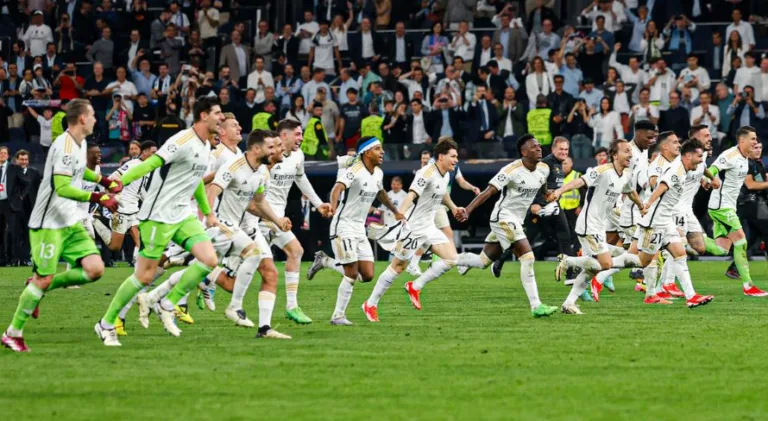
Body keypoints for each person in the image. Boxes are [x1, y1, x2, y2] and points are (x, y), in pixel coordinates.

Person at [95, 97, 223, 346]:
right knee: (144, 276)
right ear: (204, 115)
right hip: (158, 217)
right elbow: (152, 163)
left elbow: (195, 179)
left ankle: (167, 302)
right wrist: (120, 182)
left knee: (209, 259)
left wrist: (207, 212)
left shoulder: (205, 145)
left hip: (183, 215)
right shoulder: (181, 140)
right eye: (218, 113)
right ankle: (106, 323)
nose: (221, 117)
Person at [2, 99, 122, 353]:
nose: (95, 120)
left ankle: (35, 285)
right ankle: (13, 333)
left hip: (69, 221)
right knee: (43, 279)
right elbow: (63, 186)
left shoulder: (81, 143)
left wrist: (104, 180)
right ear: (81, 119)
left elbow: (79, 173)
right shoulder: (65, 146)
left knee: (95, 269)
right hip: (48, 223)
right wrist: (98, 196)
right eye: (92, 116)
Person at [451, 134, 559, 317]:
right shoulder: (511, 170)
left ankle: (455, 259)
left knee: (483, 261)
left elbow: (542, 187)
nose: (539, 148)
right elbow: (488, 192)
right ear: (524, 152)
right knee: (528, 257)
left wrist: (548, 195)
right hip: (503, 218)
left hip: (516, 219)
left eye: (539, 146)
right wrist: (468, 210)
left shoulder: (543, 170)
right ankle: (536, 306)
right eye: (534, 147)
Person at [361, 139, 465, 319]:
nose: (456, 160)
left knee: (451, 259)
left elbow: (443, 194)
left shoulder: (446, 174)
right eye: (453, 156)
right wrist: (400, 213)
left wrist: (454, 207)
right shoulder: (426, 172)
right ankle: (370, 304)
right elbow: (411, 194)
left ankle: (415, 286)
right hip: (414, 227)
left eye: (457, 156)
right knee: (397, 268)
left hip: (429, 227)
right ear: (441, 157)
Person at [551, 139, 647, 312]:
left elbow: (630, 191)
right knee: (606, 264)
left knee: (593, 269)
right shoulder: (602, 170)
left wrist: (641, 206)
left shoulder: (624, 175)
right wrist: (558, 191)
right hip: (589, 225)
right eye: (626, 151)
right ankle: (568, 261)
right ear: (615, 155)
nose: (630, 155)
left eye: (630, 152)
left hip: (599, 227)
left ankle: (569, 303)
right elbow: (580, 182)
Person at [255, 119, 331, 324]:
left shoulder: (298, 155)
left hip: (279, 218)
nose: (301, 138)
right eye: (297, 134)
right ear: (284, 135)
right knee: (239, 264)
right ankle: (206, 280)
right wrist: (265, 214)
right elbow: (255, 186)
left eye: (301, 133)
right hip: (260, 217)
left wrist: (318, 203)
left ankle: (292, 306)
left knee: (295, 251)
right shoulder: (268, 156)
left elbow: (301, 178)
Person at [328, 136, 403, 325]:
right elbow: (337, 189)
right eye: (378, 149)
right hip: (343, 225)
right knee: (351, 273)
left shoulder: (378, 173)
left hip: (360, 228)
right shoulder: (355, 171)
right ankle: (338, 316)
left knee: (368, 275)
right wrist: (332, 207)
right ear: (367, 152)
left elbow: (381, 193)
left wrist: (396, 211)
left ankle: (326, 262)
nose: (382, 152)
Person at [707, 126, 767, 296]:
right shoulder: (730, 155)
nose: (756, 142)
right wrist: (710, 179)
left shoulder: (745, 157)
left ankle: (685, 241)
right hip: (721, 206)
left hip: (727, 206)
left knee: (722, 249)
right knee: (741, 241)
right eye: (753, 139)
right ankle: (748, 286)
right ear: (742, 140)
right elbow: (713, 169)